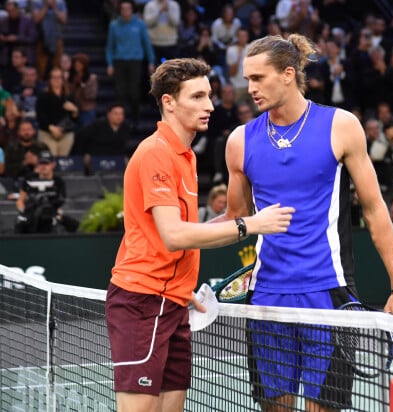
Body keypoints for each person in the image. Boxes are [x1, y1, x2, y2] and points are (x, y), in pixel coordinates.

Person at [220, 34, 393, 411]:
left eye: (258, 78)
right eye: (247, 79)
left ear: (288, 74)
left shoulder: (341, 125)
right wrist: (175, 235)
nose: (250, 88)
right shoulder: (240, 141)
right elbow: (233, 219)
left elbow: (375, 209)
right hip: (267, 298)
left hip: (328, 295)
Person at [105, 57, 294, 412]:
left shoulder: (185, 157)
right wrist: (251, 225)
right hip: (143, 303)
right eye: (196, 97)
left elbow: (189, 235)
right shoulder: (156, 154)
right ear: (169, 102)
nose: (209, 106)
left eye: (209, 95)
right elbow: (174, 236)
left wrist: (181, 285)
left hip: (173, 302)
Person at [105, 0, 156, 129]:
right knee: (121, 94)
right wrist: (110, 64)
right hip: (120, 60)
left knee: (134, 92)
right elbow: (109, 46)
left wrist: (151, 61)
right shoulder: (114, 25)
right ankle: (121, 121)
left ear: (132, 10)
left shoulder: (139, 24)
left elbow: (146, 44)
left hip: (135, 61)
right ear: (120, 10)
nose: (126, 11)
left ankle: (135, 119)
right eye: (123, 9)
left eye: (128, 9)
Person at [14, 149, 78, 233]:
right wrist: (23, 212)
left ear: (53, 165)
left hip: (51, 214)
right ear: (37, 164)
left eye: (46, 163)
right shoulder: (29, 179)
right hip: (31, 214)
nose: (43, 166)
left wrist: (56, 213)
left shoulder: (58, 182)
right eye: (41, 163)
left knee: (72, 224)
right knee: (21, 223)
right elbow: (20, 201)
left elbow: (60, 203)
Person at [76, 102, 132, 173]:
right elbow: (82, 137)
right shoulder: (97, 125)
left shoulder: (126, 127)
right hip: (97, 155)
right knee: (87, 158)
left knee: (129, 161)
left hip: (116, 156)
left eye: (121, 114)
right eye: (116, 113)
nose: (119, 116)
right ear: (108, 114)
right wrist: (85, 153)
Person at [35, 66, 78, 156]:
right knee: (51, 158)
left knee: (63, 161)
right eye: (54, 77)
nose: (56, 80)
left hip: (66, 133)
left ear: (63, 79)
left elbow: (74, 119)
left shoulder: (69, 96)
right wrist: (51, 127)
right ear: (50, 80)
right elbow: (40, 116)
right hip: (47, 132)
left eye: (59, 77)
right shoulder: (43, 95)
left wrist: (75, 110)